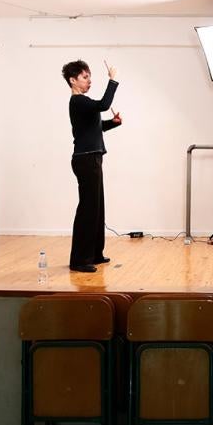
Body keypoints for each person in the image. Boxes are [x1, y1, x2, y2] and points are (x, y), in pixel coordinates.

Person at [64, 59, 122, 272]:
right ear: (73, 80)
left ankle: (95, 254)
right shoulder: (78, 101)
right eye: (85, 77)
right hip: (85, 159)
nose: (89, 81)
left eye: (89, 77)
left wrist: (112, 124)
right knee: (88, 210)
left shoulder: (84, 103)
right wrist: (113, 80)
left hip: (93, 158)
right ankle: (79, 260)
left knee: (97, 208)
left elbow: (96, 127)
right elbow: (103, 105)